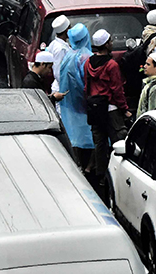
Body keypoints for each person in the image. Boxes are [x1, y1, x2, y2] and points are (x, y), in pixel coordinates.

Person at [84, 29, 129, 193]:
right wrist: (125, 109)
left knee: (100, 143)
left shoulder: (88, 63)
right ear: (105, 44)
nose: (112, 43)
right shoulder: (112, 65)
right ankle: (116, 176)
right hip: (111, 110)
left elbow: (86, 86)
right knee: (119, 143)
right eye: (110, 41)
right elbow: (117, 90)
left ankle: (100, 175)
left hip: (95, 109)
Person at [58, 23, 94, 168]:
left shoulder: (68, 56)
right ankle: (88, 166)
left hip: (71, 103)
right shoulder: (87, 57)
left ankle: (77, 161)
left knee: (76, 133)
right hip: (84, 103)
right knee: (89, 134)